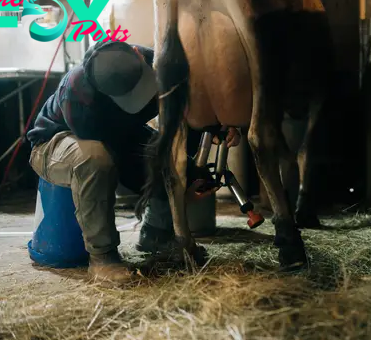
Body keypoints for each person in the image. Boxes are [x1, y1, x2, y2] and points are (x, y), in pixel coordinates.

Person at [26, 40, 240, 284]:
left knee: (177, 165)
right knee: (95, 159)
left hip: (118, 136)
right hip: (54, 144)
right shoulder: (79, 98)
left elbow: (180, 110)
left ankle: (157, 235)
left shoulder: (156, 60)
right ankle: (102, 258)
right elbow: (114, 156)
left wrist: (214, 126)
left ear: (137, 53)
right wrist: (167, 189)